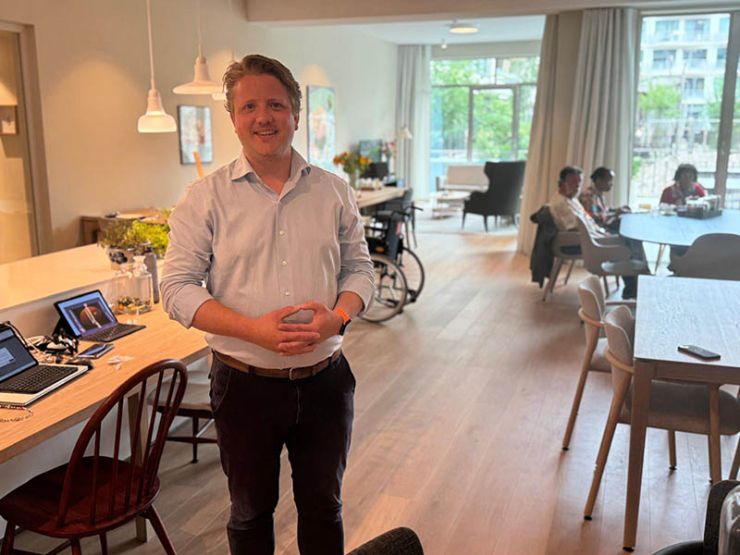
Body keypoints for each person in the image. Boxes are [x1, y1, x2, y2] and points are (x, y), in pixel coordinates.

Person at [160, 54, 374, 555]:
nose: (264, 117)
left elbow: (360, 269)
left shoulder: (334, 191)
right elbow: (177, 287)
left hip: (325, 381)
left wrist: (339, 317)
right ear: (233, 119)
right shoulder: (205, 198)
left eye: (275, 105)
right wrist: (251, 329)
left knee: (324, 507)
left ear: (295, 114)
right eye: (249, 107)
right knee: (250, 512)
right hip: (244, 386)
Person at [550, 165, 640, 298]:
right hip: (583, 243)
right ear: (562, 182)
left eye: (579, 181)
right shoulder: (562, 203)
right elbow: (575, 228)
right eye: (573, 181)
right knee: (627, 244)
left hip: (591, 236)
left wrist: (603, 233)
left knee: (629, 239)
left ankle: (634, 286)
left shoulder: (571, 199)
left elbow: (587, 222)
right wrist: (602, 235)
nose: (577, 185)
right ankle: (633, 289)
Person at [578, 166, 630, 232]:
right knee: (625, 225)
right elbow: (594, 218)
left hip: (602, 227)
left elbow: (603, 211)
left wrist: (617, 210)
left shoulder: (599, 194)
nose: (611, 184)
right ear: (599, 180)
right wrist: (615, 214)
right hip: (596, 230)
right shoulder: (588, 196)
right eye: (609, 180)